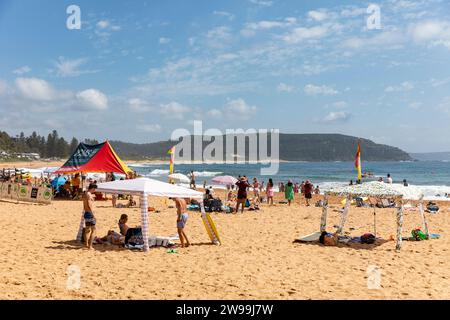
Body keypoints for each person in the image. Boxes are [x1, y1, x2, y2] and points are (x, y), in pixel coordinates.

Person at [82, 183, 97, 249]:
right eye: (95, 189)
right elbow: (89, 204)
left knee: (87, 229)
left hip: (86, 212)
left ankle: (86, 244)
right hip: (90, 213)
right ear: (93, 188)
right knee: (94, 230)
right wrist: (93, 214)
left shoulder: (85, 194)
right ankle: (90, 246)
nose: (95, 190)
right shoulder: (88, 194)